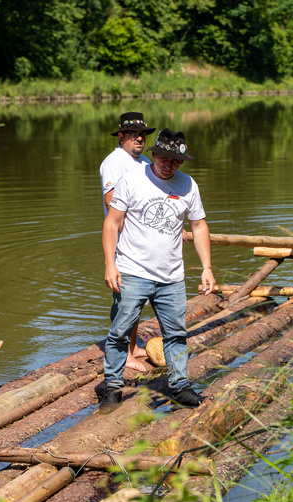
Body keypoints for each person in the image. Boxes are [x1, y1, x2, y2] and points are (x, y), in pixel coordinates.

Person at [100, 128, 215, 413]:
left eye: (175, 161)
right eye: (164, 158)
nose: (169, 164)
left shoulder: (188, 186)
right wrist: (110, 264)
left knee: (176, 334)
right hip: (132, 270)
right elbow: (112, 223)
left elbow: (198, 226)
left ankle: (179, 386)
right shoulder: (132, 179)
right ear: (154, 154)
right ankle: (112, 389)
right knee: (120, 332)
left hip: (171, 276)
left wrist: (207, 268)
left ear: (181, 162)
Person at [99, 112, 156, 372]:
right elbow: (113, 204)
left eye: (142, 134)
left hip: (145, 244)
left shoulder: (144, 163)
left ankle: (132, 348)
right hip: (124, 244)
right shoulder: (114, 162)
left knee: (137, 300)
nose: (139, 139)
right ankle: (124, 356)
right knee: (124, 303)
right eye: (133, 134)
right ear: (121, 136)